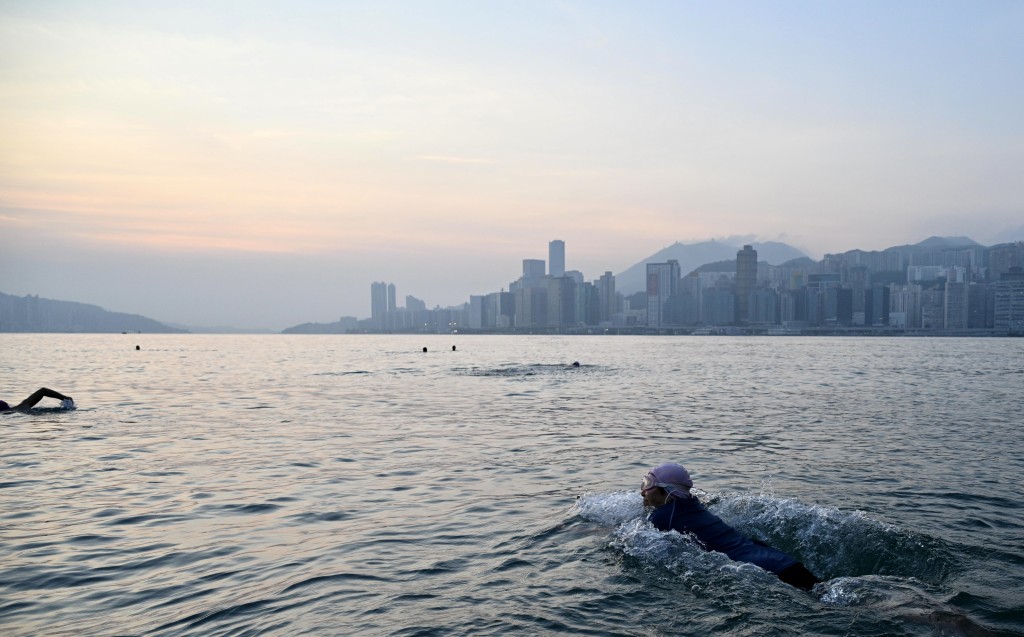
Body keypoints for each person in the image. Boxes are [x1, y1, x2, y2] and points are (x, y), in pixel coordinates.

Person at [641, 462, 820, 590]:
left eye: (649, 485)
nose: (643, 491)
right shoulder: (692, 504)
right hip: (780, 560)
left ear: (667, 490)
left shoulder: (664, 516)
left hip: (767, 570)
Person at [0, 388, 75, 412]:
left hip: (17, 409)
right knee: (43, 391)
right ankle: (66, 399)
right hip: (18, 409)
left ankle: (66, 399)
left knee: (43, 390)